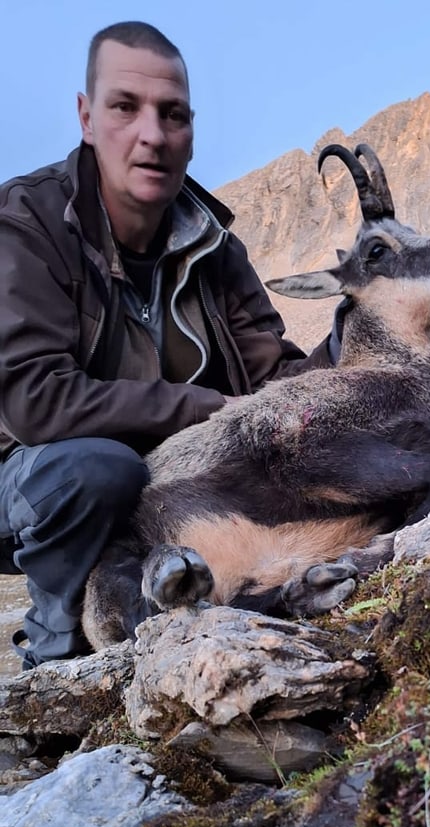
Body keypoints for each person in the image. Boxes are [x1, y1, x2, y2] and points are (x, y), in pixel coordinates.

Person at [0, 21, 336, 668]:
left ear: (191, 129)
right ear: (86, 118)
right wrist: (198, 411)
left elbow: (275, 379)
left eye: (172, 114)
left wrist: (366, 353)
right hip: (30, 481)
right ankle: (56, 662)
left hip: (160, 484)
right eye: (125, 107)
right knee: (100, 470)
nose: (152, 134)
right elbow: (34, 403)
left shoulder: (216, 248)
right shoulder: (23, 225)